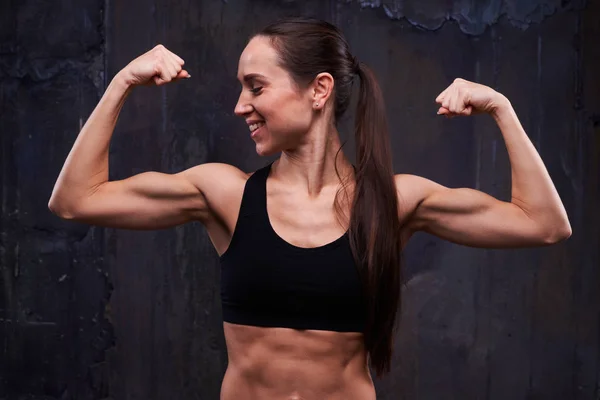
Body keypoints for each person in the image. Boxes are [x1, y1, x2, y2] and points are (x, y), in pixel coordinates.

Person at [48, 17, 571, 400]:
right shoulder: (225, 195)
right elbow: (76, 199)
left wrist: (501, 109)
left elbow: (542, 223)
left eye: (256, 87)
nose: (240, 105)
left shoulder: (392, 202)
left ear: (319, 89)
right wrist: (121, 83)